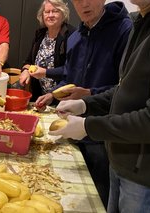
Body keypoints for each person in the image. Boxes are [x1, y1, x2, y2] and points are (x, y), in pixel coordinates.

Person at [49, 0, 150, 212]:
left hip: (147, 177)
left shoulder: (129, 27)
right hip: (121, 161)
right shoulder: (142, 21)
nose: (83, 4)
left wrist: (88, 126)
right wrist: (85, 104)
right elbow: (123, 90)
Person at [35, 0, 132, 208]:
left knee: (98, 198)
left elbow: (126, 89)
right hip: (73, 126)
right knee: (71, 195)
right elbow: (68, 77)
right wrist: (53, 95)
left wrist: (88, 95)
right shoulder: (76, 37)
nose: (85, 4)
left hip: (103, 134)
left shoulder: (124, 30)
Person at [19, 0, 75, 102]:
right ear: (42, 15)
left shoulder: (71, 35)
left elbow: (71, 69)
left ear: (63, 14)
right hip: (39, 97)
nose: (50, 15)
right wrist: (25, 71)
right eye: (47, 12)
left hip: (62, 98)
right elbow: (28, 62)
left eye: (55, 11)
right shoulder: (40, 34)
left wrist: (46, 72)